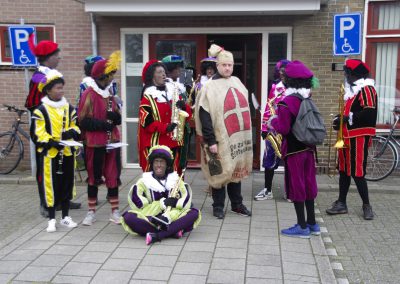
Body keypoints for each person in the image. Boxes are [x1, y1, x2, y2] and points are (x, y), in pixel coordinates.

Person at [195, 44, 253, 219]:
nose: (227, 68)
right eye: (224, 65)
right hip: (218, 139)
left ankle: (237, 204)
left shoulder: (237, 82)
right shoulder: (209, 88)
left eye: (230, 65)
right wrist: (210, 141)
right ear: (217, 66)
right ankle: (218, 206)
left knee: (235, 172)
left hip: (235, 139)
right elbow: (204, 116)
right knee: (219, 172)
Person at [26, 33, 81, 217]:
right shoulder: (39, 77)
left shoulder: (50, 74)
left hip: (61, 129)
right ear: (48, 57)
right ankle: (46, 202)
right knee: (46, 168)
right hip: (46, 130)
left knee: (63, 166)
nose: (59, 57)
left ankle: (62, 199)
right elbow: (34, 103)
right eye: (57, 55)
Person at [268, 60, 319, 238]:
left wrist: (273, 120)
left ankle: (302, 226)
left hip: (294, 151)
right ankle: (313, 224)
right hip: (309, 149)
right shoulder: (307, 99)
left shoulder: (287, 102)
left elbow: (283, 129)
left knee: (297, 185)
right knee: (309, 183)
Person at [326, 59, 377, 220]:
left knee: (357, 172)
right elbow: (348, 115)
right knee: (343, 171)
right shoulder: (352, 92)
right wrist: (339, 120)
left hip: (359, 137)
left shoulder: (367, 90)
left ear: (354, 74)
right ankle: (341, 203)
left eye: (347, 73)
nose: (346, 76)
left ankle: (367, 206)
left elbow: (369, 113)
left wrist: (348, 118)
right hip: (346, 137)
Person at [30, 70, 80, 233]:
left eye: (61, 88)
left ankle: (65, 217)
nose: (61, 91)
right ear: (48, 90)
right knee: (51, 187)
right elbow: (38, 132)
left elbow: (76, 125)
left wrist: (71, 132)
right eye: (58, 88)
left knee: (66, 185)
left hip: (66, 153)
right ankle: (52, 219)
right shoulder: (41, 110)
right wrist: (51, 142)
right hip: (50, 155)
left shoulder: (69, 108)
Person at [121, 145, 201, 245]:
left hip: (172, 217)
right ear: (152, 164)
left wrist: (176, 203)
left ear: (167, 164)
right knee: (128, 217)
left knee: (194, 213)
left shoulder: (176, 180)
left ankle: (158, 235)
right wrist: (161, 204)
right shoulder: (144, 181)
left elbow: (186, 199)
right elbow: (138, 204)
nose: (159, 165)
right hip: (151, 218)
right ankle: (173, 230)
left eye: (162, 162)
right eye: (156, 161)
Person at [78, 52, 123, 225]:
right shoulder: (89, 94)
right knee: (94, 177)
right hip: (95, 143)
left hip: (111, 143)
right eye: (110, 76)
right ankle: (91, 212)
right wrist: (104, 124)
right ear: (102, 76)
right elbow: (83, 120)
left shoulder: (109, 94)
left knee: (112, 176)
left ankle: (115, 211)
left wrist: (115, 117)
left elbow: (117, 119)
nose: (112, 79)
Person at [138, 60, 192, 174]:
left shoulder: (173, 92)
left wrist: (184, 107)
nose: (163, 74)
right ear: (152, 76)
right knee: (158, 175)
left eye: (164, 72)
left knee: (174, 174)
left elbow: (187, 116)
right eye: (159, 72)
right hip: (156, 144)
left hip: (174, 141)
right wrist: (165, 127)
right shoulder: (148, 96)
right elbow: (146, 123)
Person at [254, 59, 290, 201]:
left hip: (290, 131)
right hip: (274, 130)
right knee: (269, 160)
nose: (282, 75)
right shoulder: (275, 87)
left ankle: (290, 191)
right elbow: (268, 108)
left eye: (285, 73)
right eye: (280, 73)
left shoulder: (297, 89)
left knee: (290, 162)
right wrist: (264, 128)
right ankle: (267, 190)